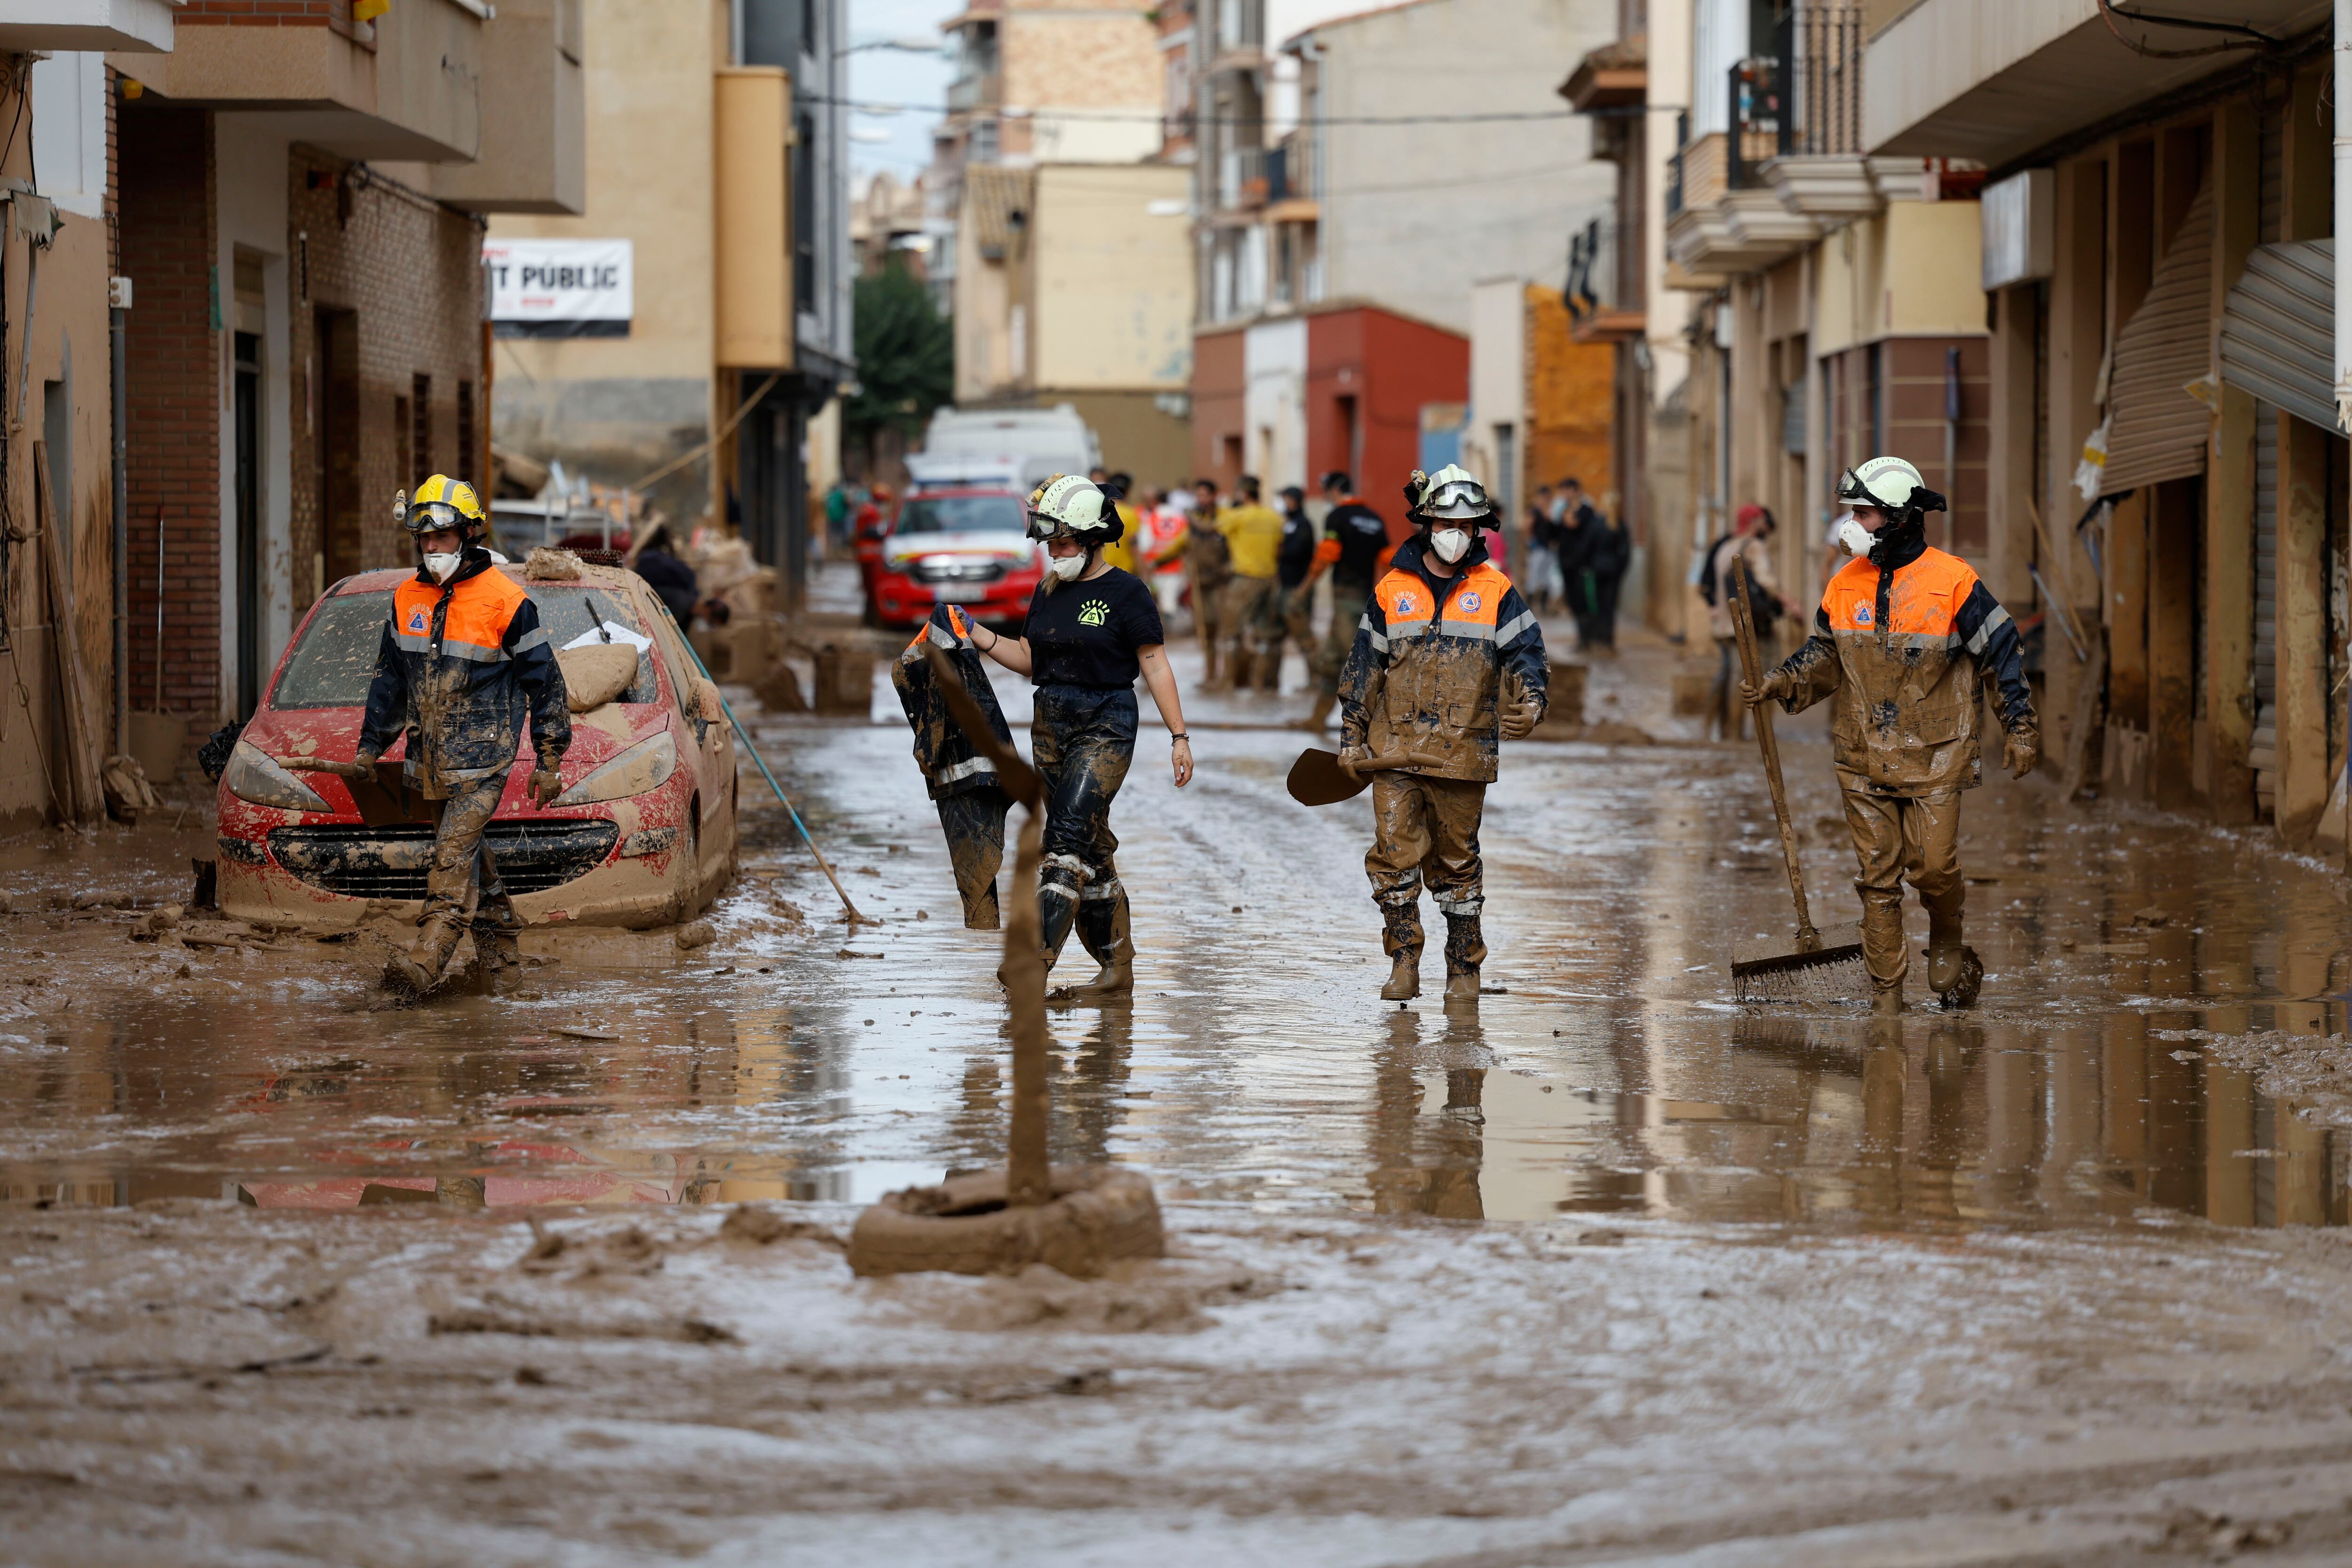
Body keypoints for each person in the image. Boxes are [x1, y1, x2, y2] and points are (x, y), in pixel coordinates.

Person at [1741, 456, 2039, 1016]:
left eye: (1864, 513)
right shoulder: (1842, 583)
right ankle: (1886, 1007)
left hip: (1936, 754)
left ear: (1901, 518)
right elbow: (1824, 656)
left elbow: (2000, 654)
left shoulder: (1953, 581)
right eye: (1852, 512)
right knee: (1876, 879)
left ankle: (1945, 930)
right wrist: (1780, 681)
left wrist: (2018, 726)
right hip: (1861, 754)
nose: (1852, 524)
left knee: (1932, 867)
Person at [337, 475, 571, 994]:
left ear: (467, 534)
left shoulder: (506, 601)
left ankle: (421, 968)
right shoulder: (406, 599)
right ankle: (504, 969)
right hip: (430, 764)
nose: (431, 548)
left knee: (448, 862)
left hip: (483, 763)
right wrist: (369, 747)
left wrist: (550, 759)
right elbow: (390, 681)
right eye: (423, 539)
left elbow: (546, 682)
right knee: (474, 865)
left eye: (441, 538)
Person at [967, 474, 1194, 1000]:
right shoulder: (1047, 591)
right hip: (1051, 722)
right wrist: (976, 634)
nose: (1054, 553)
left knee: (1065, 840)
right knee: (1092, 849)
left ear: (1093, 539)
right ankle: (1117, 970)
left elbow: (1154, 664)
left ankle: (1033, 960)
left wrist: (1178, 736)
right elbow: (1029, 659)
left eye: (1064, 543)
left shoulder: (1127, 592)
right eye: (1049, 543)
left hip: (1106, 722)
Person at [1337, 464, 1547, 1004]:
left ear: (1480, 530)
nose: (1456, 535)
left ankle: (1462, 970)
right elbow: (1364, 666)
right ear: (1425, 522)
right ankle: (1404, 961)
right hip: (1394, 751)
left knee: (1458, 864)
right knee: (1392, 857)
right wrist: (1350, 734)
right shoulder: (1392, 589)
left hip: (1463, 752)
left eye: (1468, 525)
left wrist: (1532, 702)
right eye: (1445, 523)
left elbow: (1526, 656)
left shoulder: (1496, 590)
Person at [1289, 470, 1391, 732]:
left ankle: (1382, 726)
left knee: (1361, 665)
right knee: (1331, 660)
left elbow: (1327, 556)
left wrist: (1303, 589)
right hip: (1366, 599)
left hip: (1345, 599)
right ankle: (1317, 720)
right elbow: (1388, 560)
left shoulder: (1337, 517)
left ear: (1334, 490)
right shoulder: (1374, 519)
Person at [1702, 505, 1800, 740]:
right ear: (1754, 522)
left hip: (1726, 626)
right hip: (1752, 626)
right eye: (1763, 522)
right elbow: (1768, 583)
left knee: (1733, 675)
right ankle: (1762, 735)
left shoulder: (1725, 547)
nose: (1766, 527)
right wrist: (1792, 605)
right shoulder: (1754, 547)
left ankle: (1726, 732)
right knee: (1766, 677)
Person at [1151, 479, 1232, 684]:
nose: (1202, 500)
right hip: (1201, 583)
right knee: (1207, 630)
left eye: (1206, 495)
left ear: (1214, 496)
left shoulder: (1225, 517)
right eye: (1199, 496)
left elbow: (1213, 529)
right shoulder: (1193, 524)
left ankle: (1228, 677)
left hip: (1223, 583)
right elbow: (1179, 545)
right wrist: (1156, 562)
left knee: (1226, 630)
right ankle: (1210, 675)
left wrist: (1193, 521)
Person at [1213, 474, 1285, 692]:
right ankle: (1260, 684)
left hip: (1244, 580)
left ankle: (1228, 682)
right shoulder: (1274, 517)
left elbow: (1213, 529)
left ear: (1243, 493)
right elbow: (1280, 549)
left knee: (1230, 633)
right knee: (1264, 634)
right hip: (1271, 580)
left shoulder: (1237, 516)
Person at [1268, 483, 1320, 692]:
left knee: (1304, 636)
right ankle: (1270, 682)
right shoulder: (1289, 523)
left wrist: (1279, 550)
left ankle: (1316, 681)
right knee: (1274, 635)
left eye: (1286, 499)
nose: (1284, 503)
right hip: (1285, 587)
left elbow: (1297, 552)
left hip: (1298, 589)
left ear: (1294, 500)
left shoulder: (1303, 524)